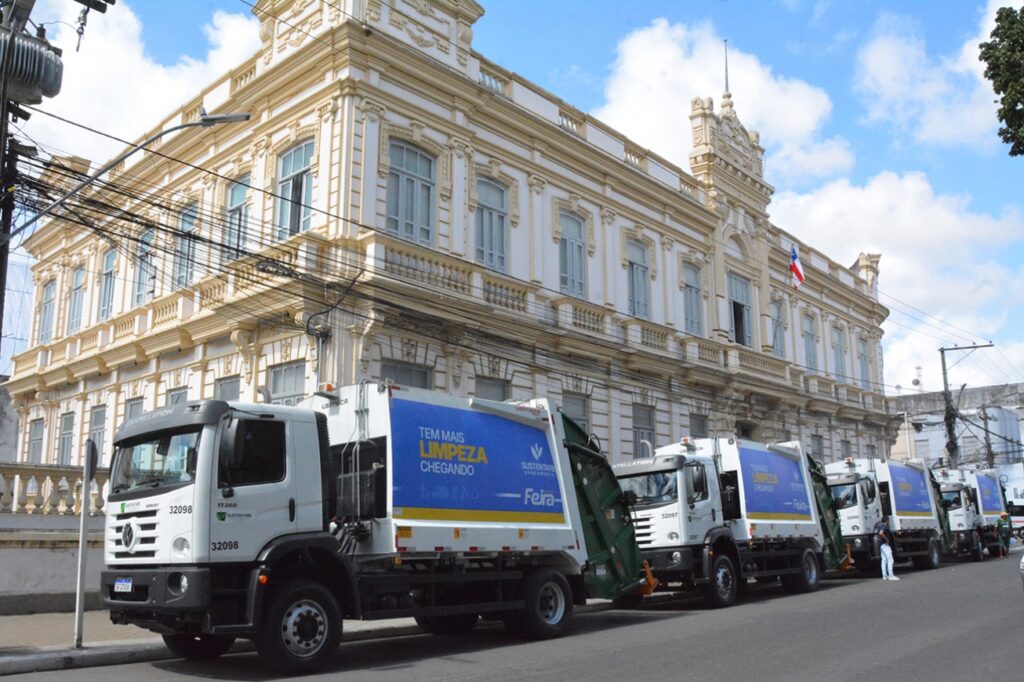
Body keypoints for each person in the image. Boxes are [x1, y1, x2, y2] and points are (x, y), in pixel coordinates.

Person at [875, 516, 899, 581]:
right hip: (885, 544)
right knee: (890, 559)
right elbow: (881, 533)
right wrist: (886, 539)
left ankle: (884, 575)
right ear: (887, 521)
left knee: (884, 560)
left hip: (881, 544)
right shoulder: (884, 526)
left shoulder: (879, 525)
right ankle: (891, 575)